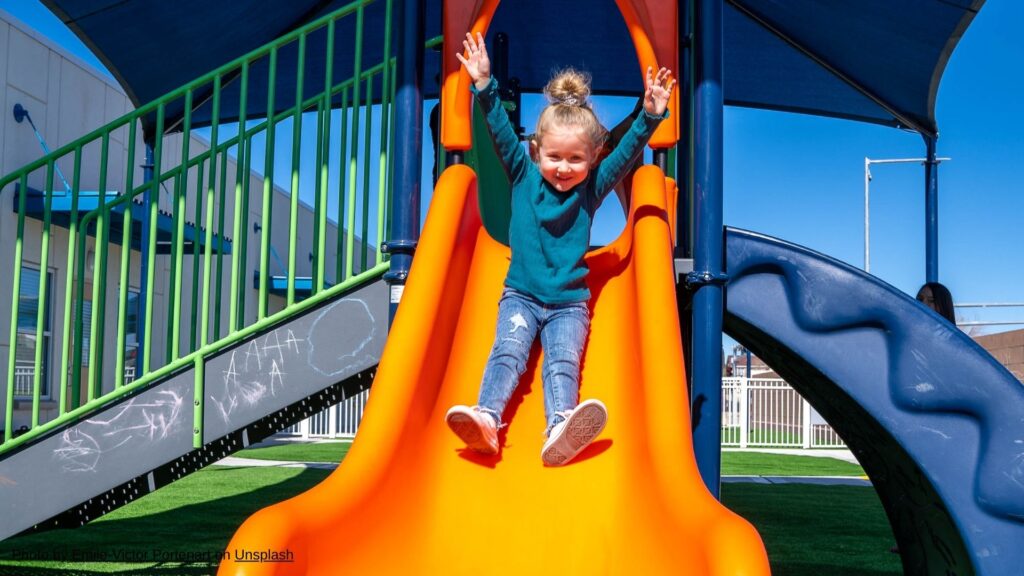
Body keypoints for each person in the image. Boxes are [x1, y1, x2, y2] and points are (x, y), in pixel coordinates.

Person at [445, 32, 674, 466]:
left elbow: (625, 156)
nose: (563, 168)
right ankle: (487, 420)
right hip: (522, 296)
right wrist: (484, 86)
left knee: (563, 363)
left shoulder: (590, 190)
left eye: (575, 160)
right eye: (554, 157)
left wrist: (649, 116)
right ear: (537, 152)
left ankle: (560, 429)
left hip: (570, 304)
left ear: (591, 160)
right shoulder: (523, 174)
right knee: (507, 352)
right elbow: (498, 132)